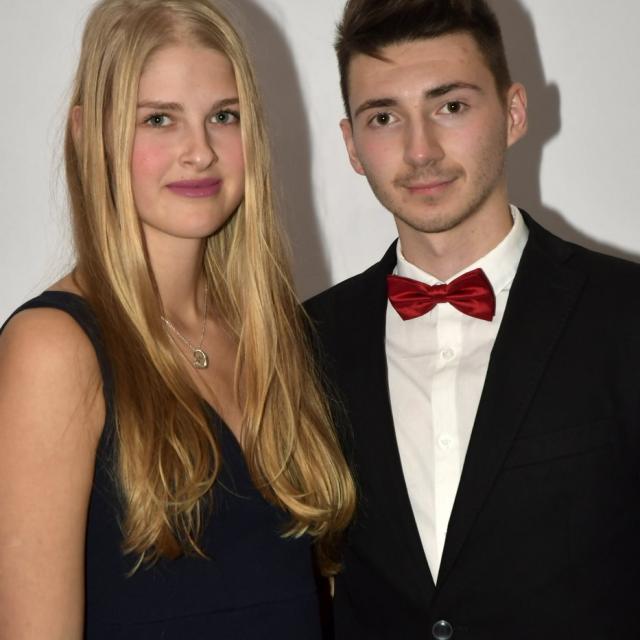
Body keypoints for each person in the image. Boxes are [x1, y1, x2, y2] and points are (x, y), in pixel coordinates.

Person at [0, 0, 355, 637]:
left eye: (223, 116)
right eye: (159, 119)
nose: (200, 152)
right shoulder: (54, 349)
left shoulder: (273, 335)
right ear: (88, 133)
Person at [305, 0, 640, 638]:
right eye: (384, 117)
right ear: (352, 145)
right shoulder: (304, 342)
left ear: (513, 112)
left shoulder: (626, 314)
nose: (420, 150)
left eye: (451, 106)